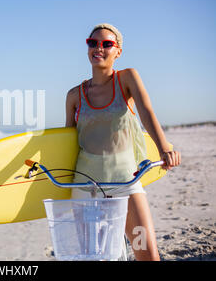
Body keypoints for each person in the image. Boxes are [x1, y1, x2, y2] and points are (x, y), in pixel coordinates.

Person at [65, 23, 181, 261]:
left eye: (107, 43)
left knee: (147, 253)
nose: (99, 48)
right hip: (86, 189)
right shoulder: (74, 95)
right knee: (93, 258)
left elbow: (147, 111)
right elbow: (67, 145)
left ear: (118, 51)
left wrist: (164, 147)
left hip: (126, 184)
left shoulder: (127, 78)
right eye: (92, 43)